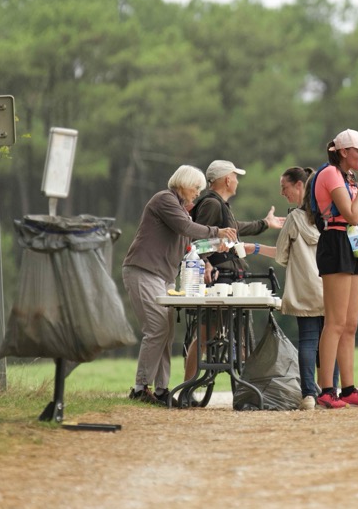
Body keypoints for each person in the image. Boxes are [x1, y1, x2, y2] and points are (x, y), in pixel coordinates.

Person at [121, 165, 237, 406]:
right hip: (144, 271)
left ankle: (161, 389)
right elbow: (186, 228)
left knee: (166, 332)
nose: (197, 193)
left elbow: (190, 245)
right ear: (183, 183)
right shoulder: (165, 200)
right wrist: (217, 231)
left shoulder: (181, 210)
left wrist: (214, 247)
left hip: (162, 276)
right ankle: (141, 387)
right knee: (157, 329)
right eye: (196, 188)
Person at [185, 159, 285, 385]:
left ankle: (246, 385)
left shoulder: (221, 205)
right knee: (205, 335)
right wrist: (206, 262)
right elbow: (196, 238)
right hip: (220, 279)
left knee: (235, 335)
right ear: (227, 180)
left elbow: (237, 228)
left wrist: (265, 223)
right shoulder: (212, 204)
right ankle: (188, 386)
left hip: (230, 278)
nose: (237, 181)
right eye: (235, 177)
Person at [313, 129, 358, 409]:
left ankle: (349, 389)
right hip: (336, 240)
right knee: (335, 322)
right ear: (343, 152)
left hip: (356, 242)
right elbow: (352, 214)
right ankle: (326, 389)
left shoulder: (352, 178)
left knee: (350, 324)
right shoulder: (331, 173)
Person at [274, 166, 332, 411]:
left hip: (304, 290)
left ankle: (308, 395)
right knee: (331, 339)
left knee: (308, 341)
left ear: (300, 185)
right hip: (331, 286)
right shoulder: (329, 216)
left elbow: (281, 256)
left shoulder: (293, 219)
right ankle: (330, 392)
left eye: (284, 187)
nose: (282, 193)